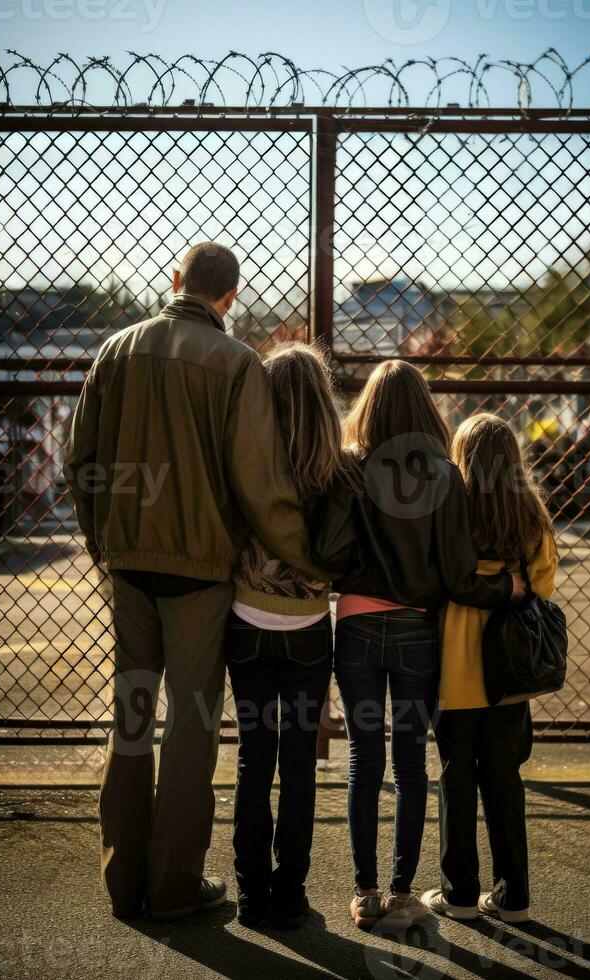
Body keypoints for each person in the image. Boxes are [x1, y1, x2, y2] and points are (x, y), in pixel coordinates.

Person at [63, 242, 321, 922]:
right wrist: (312, 558)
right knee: (192, 726)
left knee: (131, 717)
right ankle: (174, 883)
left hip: (129, 564)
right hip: (200, 574)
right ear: (230, 298)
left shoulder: (115, 351)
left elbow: (79, 459)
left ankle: (122, 882)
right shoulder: (238, 364)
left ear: (175, 280)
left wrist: (105, 543)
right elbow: (260, 487)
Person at [311, 361, 526, 930]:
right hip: (416, 634)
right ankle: (404, 892)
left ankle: (365, 891)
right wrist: (505, 586)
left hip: (356, 627)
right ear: (423, 407)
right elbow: (459, 577)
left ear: (370, 408)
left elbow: (328, 554)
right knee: (410, 764)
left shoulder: (349, 470)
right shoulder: (443, 474)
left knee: (363, 760)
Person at [225, 343, 357, 929]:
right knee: (299, 762)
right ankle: (290, 893)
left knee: (255, 759)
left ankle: (250, 893)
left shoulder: (249, 452)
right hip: (307, 627)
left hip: (247, 621)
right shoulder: (337, 459)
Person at [422, 413, 558, 924]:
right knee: (504, 777)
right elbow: (543, 585)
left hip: (456, 673)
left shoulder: (449, 510)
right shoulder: (530, 517)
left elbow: (436, 579)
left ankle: (458, 895)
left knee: (457, 775)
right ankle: (513, 896)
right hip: (510, 679)